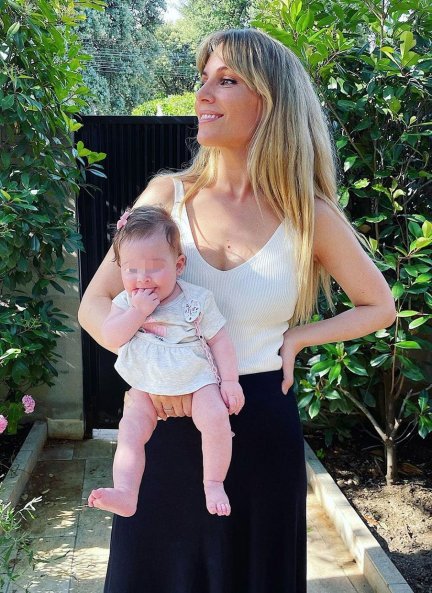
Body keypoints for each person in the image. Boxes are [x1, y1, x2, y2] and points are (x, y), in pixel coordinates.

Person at [78, 28, 396, 593]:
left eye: (225, 81)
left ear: (270, 104)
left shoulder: (309, 214)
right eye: (202, 79)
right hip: (163, 432)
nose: (202, 94)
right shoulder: (165, 197)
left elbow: (379, 306)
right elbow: (94, 306)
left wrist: (296, 339)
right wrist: (151, 365)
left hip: (256, 426)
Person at [87, 205, 244, 518]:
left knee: (216, 420)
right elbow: (112, 335)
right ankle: (126, 493)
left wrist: (230, 381)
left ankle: (213, 482)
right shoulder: (124, 303)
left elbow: (219, 340)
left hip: (197, 381)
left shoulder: (195, 300)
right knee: (130, 432)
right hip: (146, 387)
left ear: (179, 264)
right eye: (131, 270)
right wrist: (137, 312)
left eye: (154, 267)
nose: (142, 278)